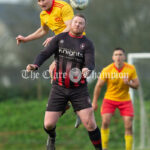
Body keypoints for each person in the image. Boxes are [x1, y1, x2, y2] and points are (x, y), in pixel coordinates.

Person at [26, 14, 102, 150]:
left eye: (81, 23)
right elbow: (45, 53)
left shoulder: (87, 43)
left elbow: (90, 63)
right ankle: (52, 137)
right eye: (75, 22)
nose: (77, 24)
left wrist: (86, 69)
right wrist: (35, 65)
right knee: (48, 125)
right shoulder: (59, 38)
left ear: (84, 27)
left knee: (90, 124)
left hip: (79, 89)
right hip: (59, 88)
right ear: (71, 24)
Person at [16, 0, 82, 129]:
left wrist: (54, 38)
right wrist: (25, 39)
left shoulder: (63, 7)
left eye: (43, 0)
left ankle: (76, 105)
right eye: (38, 0)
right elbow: (43, 30)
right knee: (54, 71)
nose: (41, 3)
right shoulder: (43, 15)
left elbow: (71, 28)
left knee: (59, 72)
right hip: (63, 46)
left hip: (77, 43)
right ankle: (71, 104)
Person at [92, 48, 139, 150]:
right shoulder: (107, 70)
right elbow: (98, 86)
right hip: (110, 99)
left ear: (124, 57)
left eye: (120, 54)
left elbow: (137, 85)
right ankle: (104, 148)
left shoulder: (131, 69)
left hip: (125, 100)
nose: (118, 57)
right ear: (113, 57)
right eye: (116, 55)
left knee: (129, 125)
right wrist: (94, 102)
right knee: (105, 121)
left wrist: (129, 83)